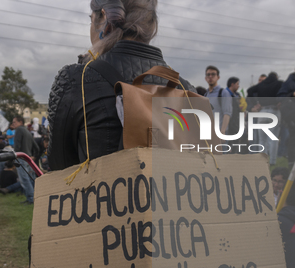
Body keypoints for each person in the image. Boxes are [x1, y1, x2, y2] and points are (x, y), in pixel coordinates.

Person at [47, 0, 195, 171]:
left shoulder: (76, 80)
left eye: (91, 19)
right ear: (150, 26)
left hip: (102, 196)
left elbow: (59, 167)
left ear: (103, 18)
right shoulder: (185, 89)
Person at [247, 72, 283, 163]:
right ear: (276, 77)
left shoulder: (261, 85)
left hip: (262, 112)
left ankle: (262, 161)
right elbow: (287, 92)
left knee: (262, 139)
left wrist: (256, 103)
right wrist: (281, 101)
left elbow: (249, 91)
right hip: (274, 110)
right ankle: (272, 161)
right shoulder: (279, 84)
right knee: (273, 139)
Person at [12, 115, 38, 204]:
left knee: (24, 180)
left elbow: (17, 146)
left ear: (20, 122)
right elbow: (37, 147)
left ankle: (31, 199)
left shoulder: (19, 130)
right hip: (29, 158)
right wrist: (34, 156)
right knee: (31, 179)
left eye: (14, 122)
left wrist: (15, 156)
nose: (13, 124)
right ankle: (36, 197)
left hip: (21, 158)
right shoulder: (27, 131)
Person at [204, 65, 233, 136]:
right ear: (206, 78)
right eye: (208, 75)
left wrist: (222, 132)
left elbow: (227, 113)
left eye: (213, 74)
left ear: (218, 77)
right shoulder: (206, 94)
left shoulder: (223, 93)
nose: (210, 76)